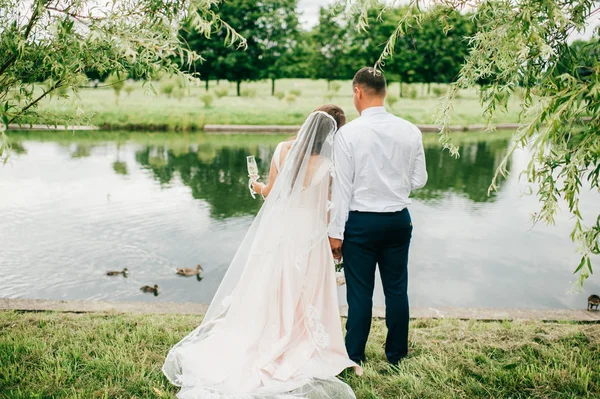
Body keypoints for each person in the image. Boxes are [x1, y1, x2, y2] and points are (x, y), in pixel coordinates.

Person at [163, 105, 361, 399]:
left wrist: (255, 185)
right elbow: (334, 201)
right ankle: (301, 339)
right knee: (307, 288)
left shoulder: (283, 150)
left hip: (282, 230)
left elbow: (271, 191)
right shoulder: (332, 163)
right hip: (311, 234)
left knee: (272, 283)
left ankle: (268, 332)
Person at [328, 67, 428, 367]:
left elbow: (342, 191)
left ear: (359, 91)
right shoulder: (410, 130)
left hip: (361, 224)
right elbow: (420, 179)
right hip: (398, 220)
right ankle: (396, 354)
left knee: (360, 293)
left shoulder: (348, 134)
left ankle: (354, 355)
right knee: (397, 288)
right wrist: (393, 184)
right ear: (384, 91)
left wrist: (335, 233)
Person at [252, 105, 346, 198]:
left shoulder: (282, 148)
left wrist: (259, 188)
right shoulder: (331, 162)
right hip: (311, 213)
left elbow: (270, 191)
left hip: (281, 213)